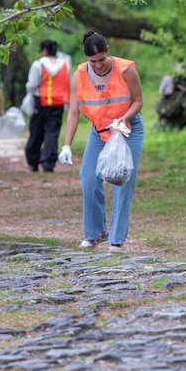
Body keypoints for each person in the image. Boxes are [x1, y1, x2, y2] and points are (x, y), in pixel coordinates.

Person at [58, 30, 144, 253]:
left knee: (123, 180)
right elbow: (74, 113)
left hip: (127, 129)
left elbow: (138, 101)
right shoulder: (79, 75)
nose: (97, 65)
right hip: (99, 130)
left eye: (101, 60)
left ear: (108, 53)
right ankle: (95, 234)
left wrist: (124, 118)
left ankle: (116, 240)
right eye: (92, 61)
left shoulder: (126, 70)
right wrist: (66, 144)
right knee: (88, 177)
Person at [24, 40, 71, 173]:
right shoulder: (64, 65)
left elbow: (32, 85)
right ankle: (48, 163)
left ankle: (33, 162)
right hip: (58, 103)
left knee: (36, 132)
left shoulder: (38, 64)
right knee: (52, 134)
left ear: (44, 50)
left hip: (40, 102)